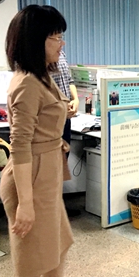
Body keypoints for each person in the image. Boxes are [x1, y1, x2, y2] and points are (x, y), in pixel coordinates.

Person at [0, 5, 87, 277]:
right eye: (55, 37)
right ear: (35, 40)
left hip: (46, 176)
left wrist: (61, 113)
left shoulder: (42, 76)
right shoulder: (27, 84)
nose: (61, 44)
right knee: (29, 270)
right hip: (31, 181)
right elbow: (20, 145)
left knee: (58, 246)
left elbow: (43, 120)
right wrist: (25, 204)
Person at [51, 49, 80, 217]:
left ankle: (57, 207)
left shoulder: (60, 53)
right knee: (50, 166)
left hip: (65, 117)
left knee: (62, 161)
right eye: (56, 37)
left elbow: (69, 80)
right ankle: (50, 210)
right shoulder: (36, 54)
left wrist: (75, 100)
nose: (61, 42)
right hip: (51, 118)